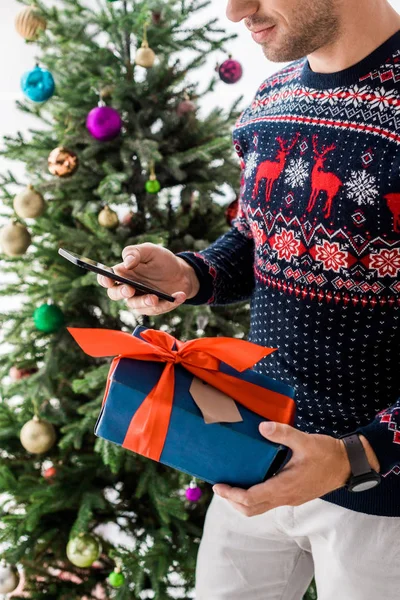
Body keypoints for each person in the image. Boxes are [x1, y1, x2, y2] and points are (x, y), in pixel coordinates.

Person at [97, 0, 400, 597]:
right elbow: (256, 236)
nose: (236, 11)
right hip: (250, 459)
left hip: (378, 494)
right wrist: (192, 273)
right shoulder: (271, 97)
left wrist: (359, 455)